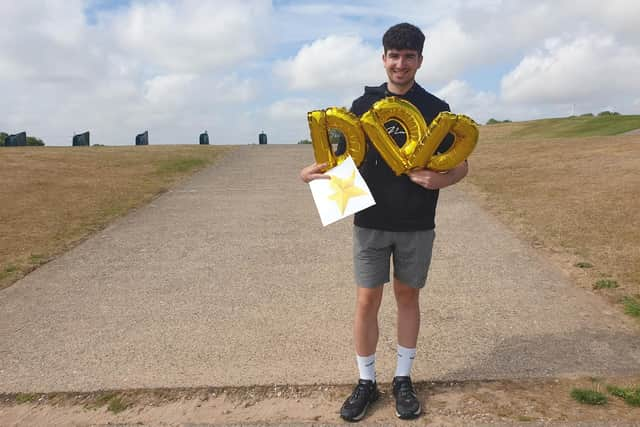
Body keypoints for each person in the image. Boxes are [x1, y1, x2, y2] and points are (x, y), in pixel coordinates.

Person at [300, 22, 469, 421]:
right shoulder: (361, 106)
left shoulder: (435, 108)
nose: (400, 64)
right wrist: (311, 175)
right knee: (366, 300)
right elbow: (340, 161)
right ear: (384, 58)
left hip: (416, 221)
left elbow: (462, 165)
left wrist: (440, 178)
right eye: (394, 56)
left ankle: (403, 380)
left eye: (409, 57)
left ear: (419, 61)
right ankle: (365, 383)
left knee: (408, 297)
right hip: (370, 221)